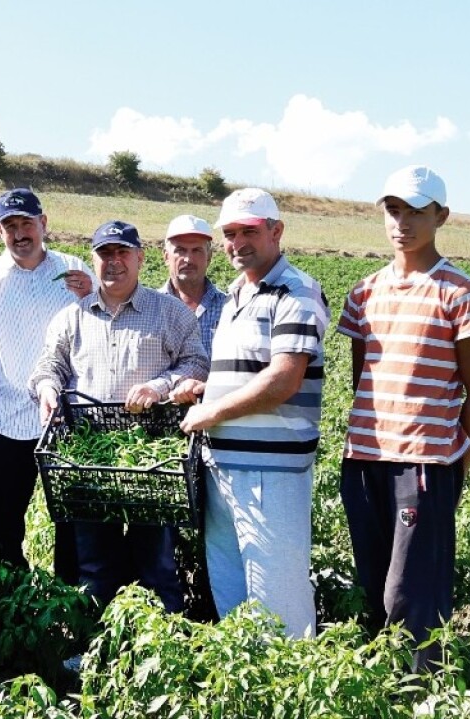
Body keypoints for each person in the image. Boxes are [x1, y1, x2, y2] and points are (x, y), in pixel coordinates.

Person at [335, 165, 470, 670]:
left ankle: (421, 689)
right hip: (364, 457)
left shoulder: (460, 293)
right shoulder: (363, 293)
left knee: (413, 594)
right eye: (393, 210)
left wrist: (458, 461)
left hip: (424, 464)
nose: (401, 222)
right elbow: (365, 379)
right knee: (375, 583)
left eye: (415, 211)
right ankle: (380, 686)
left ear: (441, 216)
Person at [28, 220, 208, 611]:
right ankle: (92, 650)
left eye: (122, 253)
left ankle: (163, 646)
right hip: (89, 458)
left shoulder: (170, 313)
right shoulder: (71, 318)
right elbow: (49, 366)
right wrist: (46, 389)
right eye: (105, 254)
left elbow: (196, 363)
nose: (114, 262)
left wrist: (159, 387)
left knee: (157, 564)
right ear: (93, 260)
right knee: (93, 565)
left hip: (152, 458)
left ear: (140, 258)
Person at [177, 188, 329, 639]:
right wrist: (206, 388)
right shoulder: (236, 296)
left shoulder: (296, 291)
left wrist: (212, 410)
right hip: (223, 467)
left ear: (276, 231)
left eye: (250, 231)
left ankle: (292, 691)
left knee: (277, 601)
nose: (238, 241)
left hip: (269, 473)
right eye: (230, 233)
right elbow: (248, 373)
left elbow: (284, 379)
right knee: (234, 595)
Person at [0, 188, 93, 576]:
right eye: (9, 226)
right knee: (3, 522)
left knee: (72, 523)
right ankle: (10, 597)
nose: (19, 234)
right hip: (5, 419)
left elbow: (97, 331)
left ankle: (71, 602)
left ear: (43, 224)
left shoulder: (74, 271)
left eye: (26, 224)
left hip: (67, 419)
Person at [159, 214, 227, 355]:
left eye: (196, 250)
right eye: (180, 250)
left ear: (209, 257)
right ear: (166, 257)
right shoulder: (150, 307)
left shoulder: (229, 307)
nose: (188, 259)